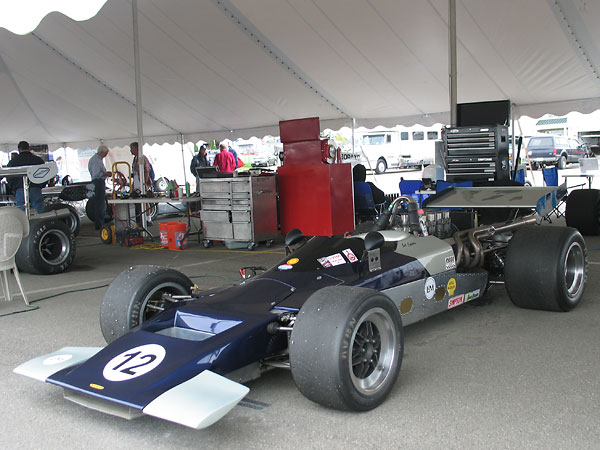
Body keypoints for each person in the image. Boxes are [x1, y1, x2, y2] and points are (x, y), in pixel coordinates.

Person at [7, 141, 46, 214]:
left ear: (19, 149)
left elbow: (9, 177)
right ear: (29, 148)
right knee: (39, 212)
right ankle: (40, 225)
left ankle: (24, 225)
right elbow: (45, 174)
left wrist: (14, 188)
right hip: (35, 188)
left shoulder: (13, 162)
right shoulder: (38, 160)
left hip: (20, 189)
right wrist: (41, 185)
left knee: (22, 213)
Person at [87, 145, 112, 230]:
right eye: (105, 153)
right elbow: (96, 174)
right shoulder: (96, 160)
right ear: (101, 152)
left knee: (100, 204)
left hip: (99, 182)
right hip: (98, 183)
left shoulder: (97, 160)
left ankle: (100, 222)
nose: (106, 155)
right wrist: (106, 174)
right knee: (99, 204)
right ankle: (99, 224)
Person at [129, 142, 154, 226]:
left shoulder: (142, 158)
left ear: (136, 149)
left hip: (142, 183)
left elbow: (147, 170)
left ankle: (148, 219)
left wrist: (144, 183)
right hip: (137, 182)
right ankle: (140, 219)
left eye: (131, 148)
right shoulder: (135, 158)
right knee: (139, 202)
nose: (130, 150)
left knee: (145, 201)